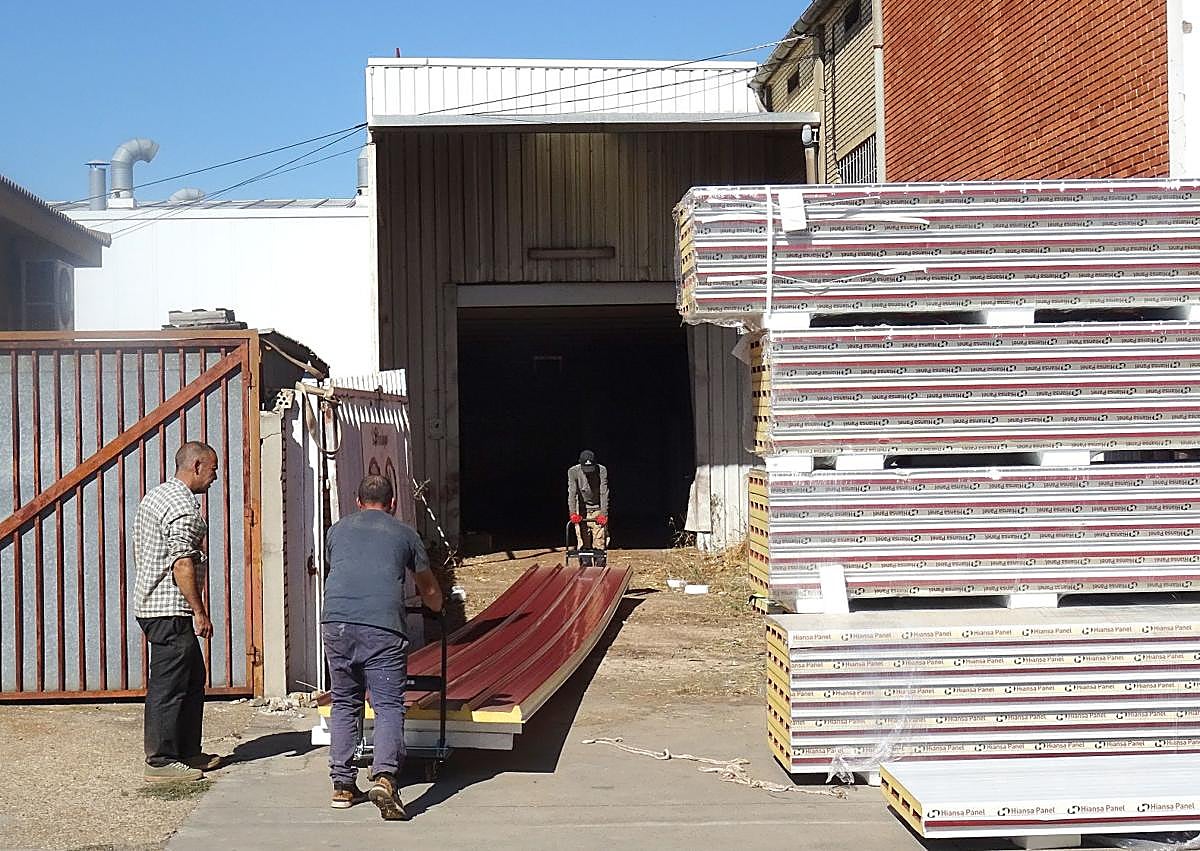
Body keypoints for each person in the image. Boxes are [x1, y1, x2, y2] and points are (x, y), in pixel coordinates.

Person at [322, 474, 444, 821]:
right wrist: (438, 608)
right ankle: (385, 776)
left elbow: (344, 570)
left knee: (345, 701)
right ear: (392, 504)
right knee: (388, 704)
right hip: (382, 627)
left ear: (357, 502)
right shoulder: (405, 533)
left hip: (336, 623)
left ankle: (342, 785)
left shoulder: (337, 530)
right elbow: (428, 588)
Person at [133, 441, 222, 782]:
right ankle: (161, 761)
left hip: (159, 604)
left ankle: (187, 751)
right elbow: (182, 563)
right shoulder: (182, 505)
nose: (215, 478)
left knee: (191, 677)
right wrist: (199, 611)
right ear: (197, 465)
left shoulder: (158, 495)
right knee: (170, 684)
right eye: (213, 470)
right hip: (168, 607)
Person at [567, 449, 609, 551]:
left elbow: (604, 492)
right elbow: (572, 493)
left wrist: (603, 513)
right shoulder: (573, 472)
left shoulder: (602, 470)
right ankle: (585, 564)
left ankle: (599, 564)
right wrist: (573, 513)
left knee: (599, 542)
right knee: (582, 541)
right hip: (582, 509)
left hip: (597, 508)